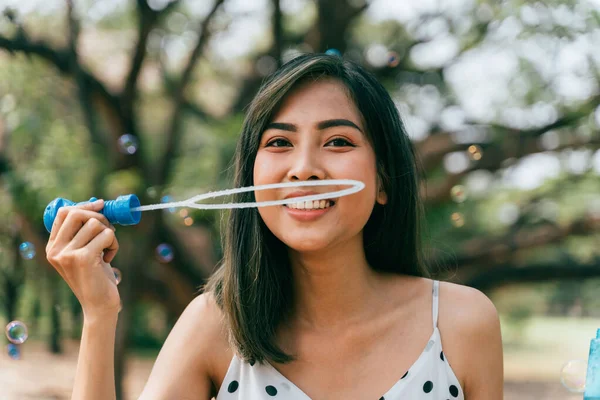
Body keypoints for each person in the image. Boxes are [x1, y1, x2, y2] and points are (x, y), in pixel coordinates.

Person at [45, 53, 503, 400]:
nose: (303, 169)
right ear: (251, 177)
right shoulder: (215, 327)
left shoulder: (462, 323)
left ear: (383, 181)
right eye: (279, 142)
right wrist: (99, 315)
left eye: (338, 141)